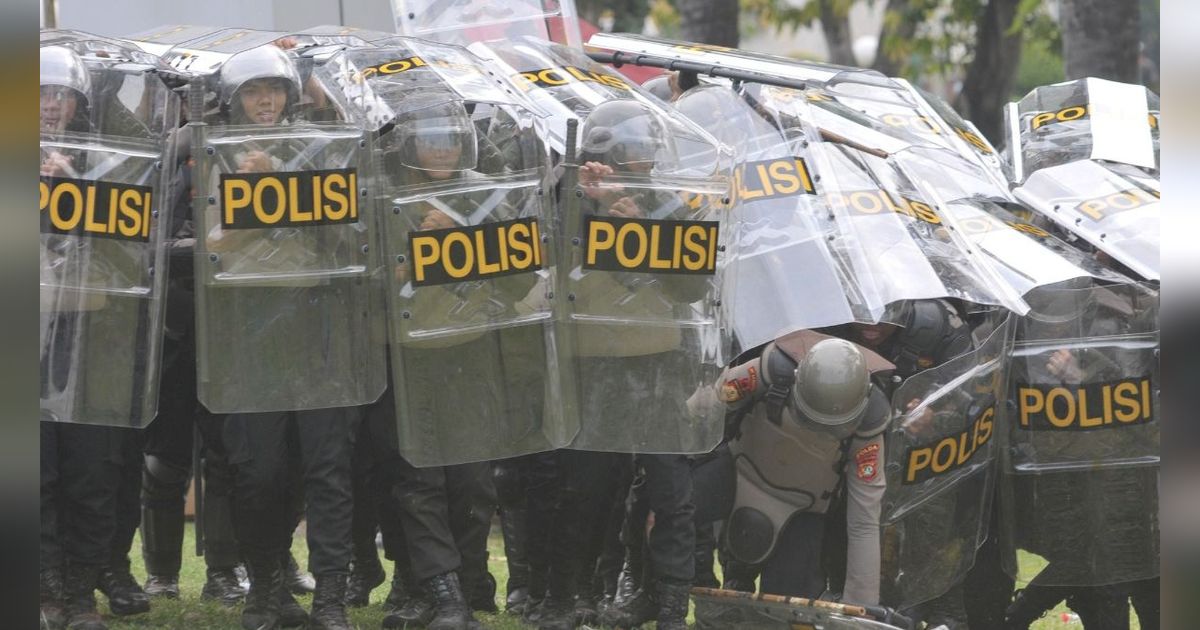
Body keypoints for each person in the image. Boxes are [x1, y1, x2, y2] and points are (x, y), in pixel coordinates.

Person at [201, 43, 361, 630]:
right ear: (234, 100)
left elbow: (349, 232)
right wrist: (248, 202)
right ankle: (266, 585)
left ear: (292, 95)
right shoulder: (212, 153)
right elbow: (207, 250)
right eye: (251, 91)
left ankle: (331, 599)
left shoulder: (321, 149)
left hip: (316, 321)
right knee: (257, 467)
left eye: (273, 90)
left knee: (327, 465)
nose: (264, 101)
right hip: (246, 325)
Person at [692, 333, 891, 609]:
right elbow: (704, 408)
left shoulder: (870, 422)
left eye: (830, 426)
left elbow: (864, 520)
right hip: (736, 476)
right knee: (675, 503)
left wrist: (862, 607)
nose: (818, 428)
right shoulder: (774, 368)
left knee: (793, 607)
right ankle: (659, 595)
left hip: (802, 509)